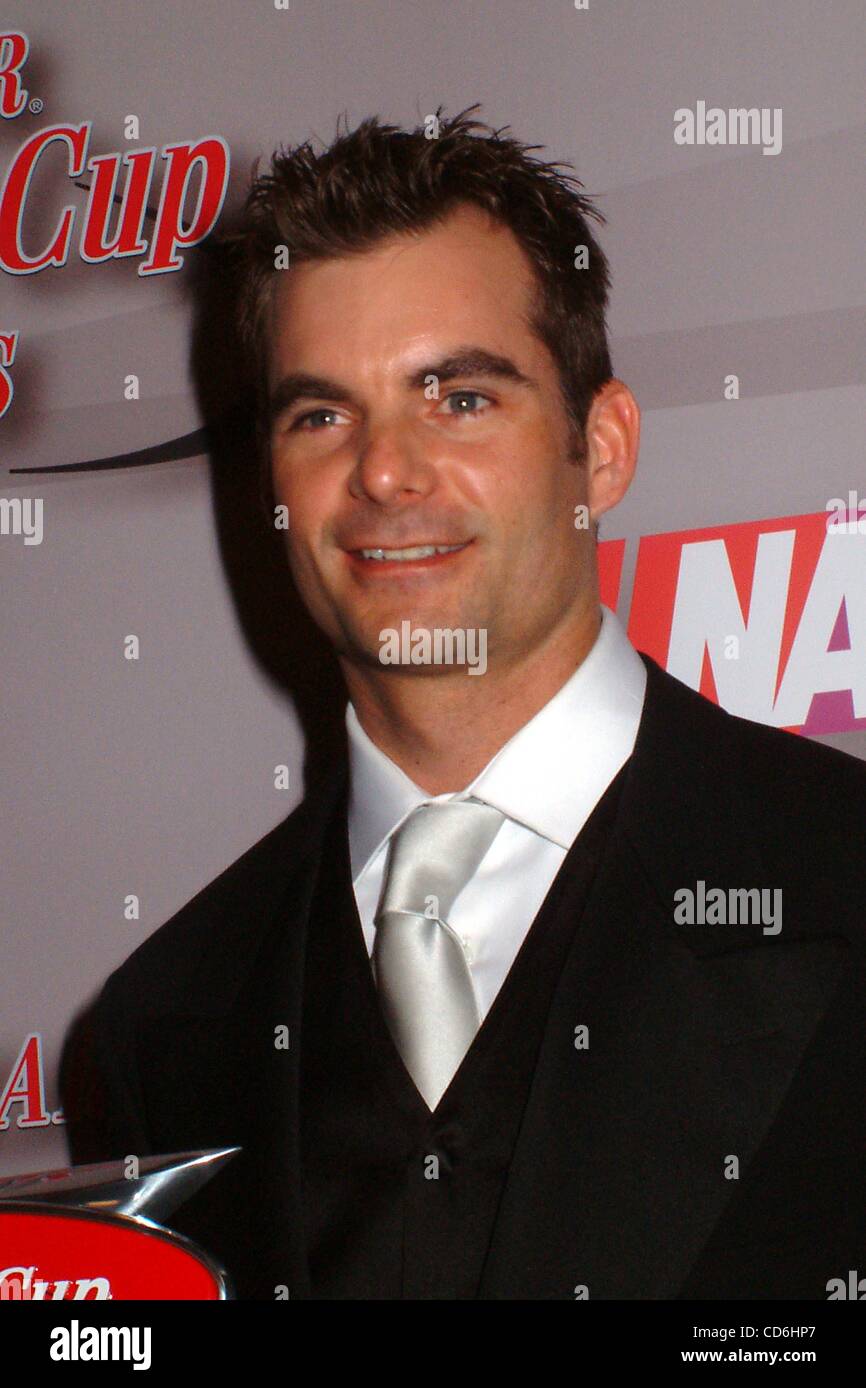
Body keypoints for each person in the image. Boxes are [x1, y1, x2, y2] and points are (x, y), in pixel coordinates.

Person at [66, 108, 866, 1300]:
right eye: (320, 414)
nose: (384, 470)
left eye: (459, 397)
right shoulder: (165, 1025)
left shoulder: (840, 870)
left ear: (600, 448)